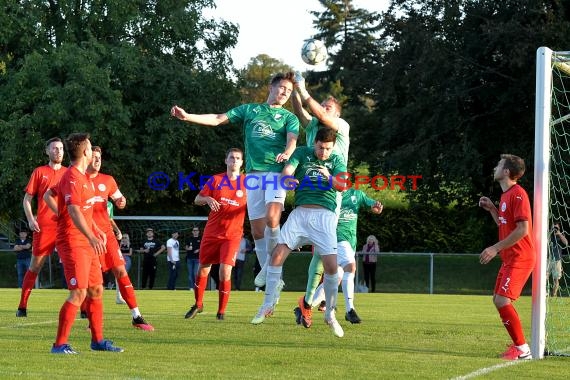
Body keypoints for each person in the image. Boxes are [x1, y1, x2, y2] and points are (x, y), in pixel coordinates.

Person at [171, 72, 299, 299]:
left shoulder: (289, 117)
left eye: (288, 92)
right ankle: (273, 279)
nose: (284, 94)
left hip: (275, 173)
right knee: (258, 230)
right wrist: (188, 116)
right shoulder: (250, 110)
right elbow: (219, 118)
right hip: (253, 176)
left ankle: (270, 269)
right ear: (271, 87)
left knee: (272, 218)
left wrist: (287, 153)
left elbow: (292, 140)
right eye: (281, 88)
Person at [251, 128, 347, 338]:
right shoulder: (302, 153)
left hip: (324, 217)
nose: (323, 152)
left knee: (331, 268)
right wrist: (289, 181)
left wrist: (329, 177)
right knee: (276, 256)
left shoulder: (337, 159)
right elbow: (287, 173)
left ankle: (330, 314)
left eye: (327, 149)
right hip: (300, 214)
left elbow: (342, 186)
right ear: (315, 143)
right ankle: (267, 305)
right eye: (320, 147)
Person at [44, 132, 123, 354]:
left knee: (96, 289)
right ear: (86, 152)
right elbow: (73, 209)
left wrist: (96, 230)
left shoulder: (84, 178)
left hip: (86, 241)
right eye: (91, 148)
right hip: (72, 242)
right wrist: (89, 235)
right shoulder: (71, 178)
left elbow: (83, 211)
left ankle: (97, 341)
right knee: (78, 293)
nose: (93, 152)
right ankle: (59, 345)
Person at [291, 71, 352, 322]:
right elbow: (301, 112)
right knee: (320, 248)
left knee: (323, 249)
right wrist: (295, 90)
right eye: (323, 106)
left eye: (329, 108)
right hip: (307, 193)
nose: (323, 110)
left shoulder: (342, 127)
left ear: (336, 115)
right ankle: (309, 301)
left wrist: (304, 91)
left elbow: (314, 112)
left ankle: (308, 301)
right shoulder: (315, 128)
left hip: (330, 195)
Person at [82, 146, 154, 330]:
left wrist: (122, 202)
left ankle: (136, 316)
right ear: (87, 158)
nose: (98, 160)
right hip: (88, 237)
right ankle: (92, 318)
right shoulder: (78, 179)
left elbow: (120, 200)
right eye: (94, 157)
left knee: (121, 272)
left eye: (100, 157)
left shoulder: (108, 180)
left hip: (107, 236)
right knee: (95, 281)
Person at [294, 189, 383, 327]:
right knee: (351, 267)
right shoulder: (327, 194)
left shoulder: (356, 195)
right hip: (336, 239)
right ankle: (350, 310)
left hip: (347, 243)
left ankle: (304, 307)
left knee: (334, 280)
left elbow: (372, 204)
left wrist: (376, 207)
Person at [478, 154, 536, 361]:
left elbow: (522, 230)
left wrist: (494, 248)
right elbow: (505, 225)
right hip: (510, 257)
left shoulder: (518, 194)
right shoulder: (505, 196)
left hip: (521, 257)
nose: (495, 167)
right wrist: (493, 209)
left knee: (502, 300)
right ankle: (519, 345)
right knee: (498, 300)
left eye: (498, 165)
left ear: (506, 172)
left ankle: (523, 350)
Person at [184, 148, 247, 321]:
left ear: (242, 163)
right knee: (203, 269)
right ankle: (198, 304)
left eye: (237, 158)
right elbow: (197, 199)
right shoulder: (215, 180)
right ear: (226, 160)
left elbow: (259, 204)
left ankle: (221, 312)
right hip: (212, 233)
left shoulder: (248, 183)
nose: (234, 161)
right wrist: (208, 199)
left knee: (225, 272)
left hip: (232, 235)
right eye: (231, 158)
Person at [17, 137, 66, 317]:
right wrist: (31, 219)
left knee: (74, 265)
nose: (58, 151)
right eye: (54, 148)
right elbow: (27, 199)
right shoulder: (39, 172)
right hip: (44, 228)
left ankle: (84, 309)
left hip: (65, 228)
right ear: (47, 151)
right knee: (35, 267)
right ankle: (22, 306)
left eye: (61, 148)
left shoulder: (69, 173)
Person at [549, 221, 568, 297]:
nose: (555, 229)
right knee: (545, 277)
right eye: (554, 227)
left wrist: (559, 233)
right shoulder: (548, 235)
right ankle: (544, 293)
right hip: (548, 258)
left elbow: (566, 243)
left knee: (556, 279)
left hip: (557, 259)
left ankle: (553, 295)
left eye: (556, 227)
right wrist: (550, 231)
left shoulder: (560, 235)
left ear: (559, 228)